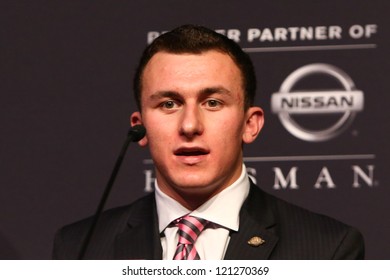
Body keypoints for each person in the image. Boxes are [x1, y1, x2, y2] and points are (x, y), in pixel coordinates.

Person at [52, 24, 364, 260]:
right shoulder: (79, 248)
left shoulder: (328, 249)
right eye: (168, 104)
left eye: (213, 103)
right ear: (141, 128)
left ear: (249, 124)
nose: (189, 125)